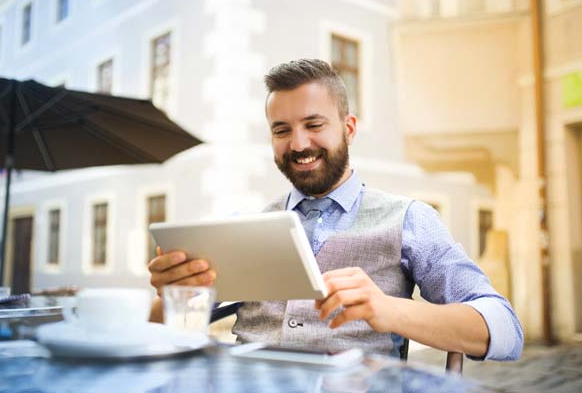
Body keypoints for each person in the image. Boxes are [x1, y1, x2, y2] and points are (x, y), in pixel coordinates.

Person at [149, 59, 523, 360]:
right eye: (281, 131)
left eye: (314, 125)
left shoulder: (409, 219)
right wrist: (174, 297)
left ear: (349, 128)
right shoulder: (243, 229)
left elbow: (506, 330)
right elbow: (163, 327)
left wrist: (389, 310)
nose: (298, 144)